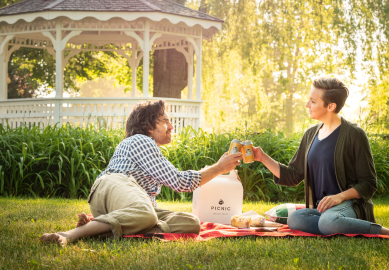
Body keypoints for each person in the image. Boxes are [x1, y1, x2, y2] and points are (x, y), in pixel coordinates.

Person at [41, 100, 243, 246]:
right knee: (146, 212)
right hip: (112, 186)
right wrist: (219, 168)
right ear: (148, 126)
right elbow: (180, 182)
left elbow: (181, 181)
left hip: (131, 207)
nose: (171, 126)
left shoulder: (149, 147)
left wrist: (219, 167)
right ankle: (68, 235)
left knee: (191, 223)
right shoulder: (141, 141)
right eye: (165, 121)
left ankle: (101, 230)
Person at [252, 77, 389, 239]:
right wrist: (262, 157)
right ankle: (335, 225)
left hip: (348, 204)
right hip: (322, 209)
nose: (307, 104)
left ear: (331, 106)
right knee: (296, 219)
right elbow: (293, 175)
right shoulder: (311, 134)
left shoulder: (354, 134)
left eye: (313, 101)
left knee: (328, 222)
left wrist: (339, 197)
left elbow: (369, 184)